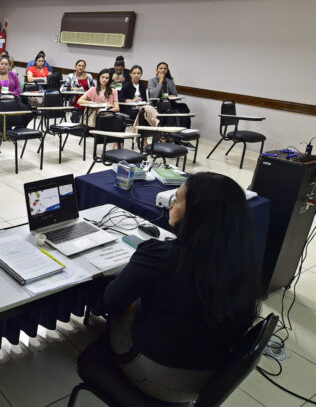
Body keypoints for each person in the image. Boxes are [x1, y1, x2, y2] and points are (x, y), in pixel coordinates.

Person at [98, 172, 260, 402]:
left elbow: (111, 302)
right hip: (209, 377)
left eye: (177, 199)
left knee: (121, 306)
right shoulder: (243, 259)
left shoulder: (161, 255)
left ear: (195, 213)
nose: (171, 204)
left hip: (156, 375)